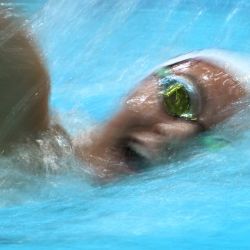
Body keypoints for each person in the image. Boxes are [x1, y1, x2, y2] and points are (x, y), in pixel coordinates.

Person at [0, 9, 249, 180]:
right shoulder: (20, 121)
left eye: (208, 138)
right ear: (143, 84)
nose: (178, 132)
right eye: (180, 98)